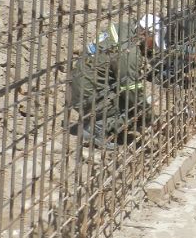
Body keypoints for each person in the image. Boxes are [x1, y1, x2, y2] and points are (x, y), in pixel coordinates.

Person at [69, 14, 167, 149]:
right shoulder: (130, 51)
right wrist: (150, 118)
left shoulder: (124, 28)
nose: (152, 48)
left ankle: (101, 119)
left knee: (136, 100)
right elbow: (131, 90)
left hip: (81, 87)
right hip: (88, 94)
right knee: (135, 105)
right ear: (146, 33)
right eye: (153, 43)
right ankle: (98, 127)